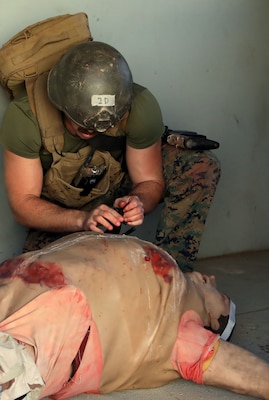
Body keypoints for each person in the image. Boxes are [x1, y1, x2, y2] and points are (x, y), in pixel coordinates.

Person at [0, 41, 221, 272]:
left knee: (200, 166)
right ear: (62, 104)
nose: (91, 132)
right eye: (82, 123)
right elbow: (23, 204)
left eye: (101, 126)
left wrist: (138, 202)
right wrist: (82, 220)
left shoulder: (138, 106)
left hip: (115, 189)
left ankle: (171, 277)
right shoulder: (26, 116)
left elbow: (149, 181)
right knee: (42, 281)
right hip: (64, 212)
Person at [0, 232, 268, 400]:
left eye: (221, 297)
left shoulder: (179, 325)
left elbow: (238, 371)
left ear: (210, 322)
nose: (212, 279)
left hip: (45, 327)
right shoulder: (172, 279)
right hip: (18, 281)